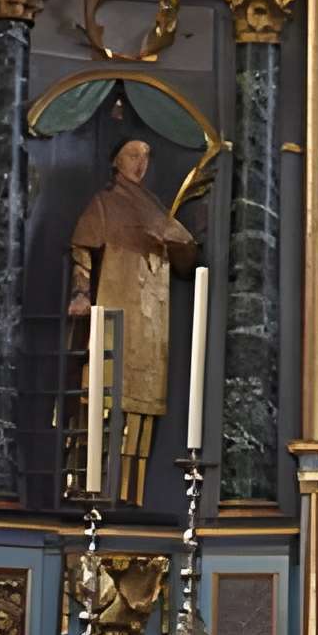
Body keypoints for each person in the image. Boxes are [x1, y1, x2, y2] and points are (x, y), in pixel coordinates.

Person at [64, 137, 200, 504]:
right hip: (115, 309)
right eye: (132, 155)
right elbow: (82, 250)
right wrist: (81, 292)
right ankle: (85, 482)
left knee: (142, 408)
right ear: (115, 160)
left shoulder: (155, 209)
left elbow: (187, 263)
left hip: (151, 320)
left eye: (146, 156)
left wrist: (180, 242)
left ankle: (130, 492)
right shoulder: (105, 203)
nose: (140, 163)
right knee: (100, 400)